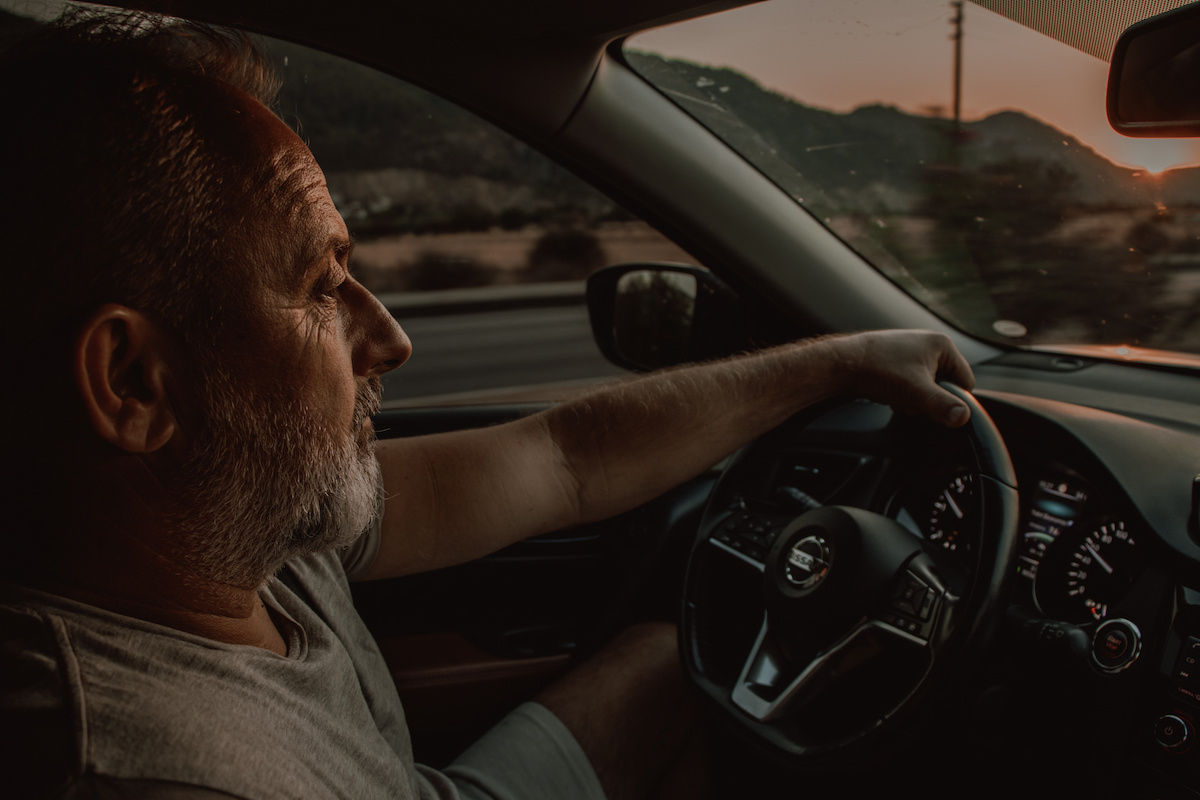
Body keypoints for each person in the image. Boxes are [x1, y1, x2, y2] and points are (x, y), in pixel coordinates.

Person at [0, 11, 977, 800]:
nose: (388, 338)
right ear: (133, 383)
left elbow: (564, 458)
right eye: (322, 286)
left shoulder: (236, 515)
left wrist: (844, 359)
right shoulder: (137, 768)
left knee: (671, 663)